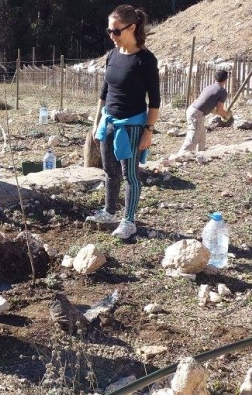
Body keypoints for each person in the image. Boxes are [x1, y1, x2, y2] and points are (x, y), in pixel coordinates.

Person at [87, 5, 161, 239]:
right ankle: (109, 211)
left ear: (132, 28)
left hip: (131, 126)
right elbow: (104, 91)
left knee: (130, 175)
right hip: (108, 122)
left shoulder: (145, 60)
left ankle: (129, 221)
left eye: (116, 31)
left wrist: (148, 130)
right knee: (110, 171)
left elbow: (155, 101)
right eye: (109, 31)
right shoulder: (112, 55)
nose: (112, 35)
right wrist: (97, 121)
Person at [175, 70, 231, 155]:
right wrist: (227, 114)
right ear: (226, 80)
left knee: (201, 136)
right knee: (193, 137)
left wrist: (223, 114)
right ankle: (181, 155)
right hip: (197, 114)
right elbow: (219, 110)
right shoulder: (222, 91)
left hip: (193, 110)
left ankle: (200, 154)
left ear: (214, 78)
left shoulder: (209, 87)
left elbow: (210, 108)